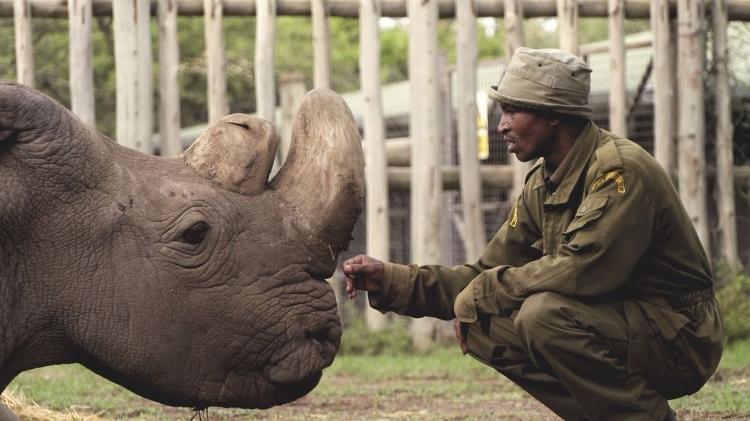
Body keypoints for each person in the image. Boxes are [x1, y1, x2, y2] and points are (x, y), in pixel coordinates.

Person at [342, 47, 722, 421]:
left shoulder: (619, 172)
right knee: (483, 325)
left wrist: (483, 291)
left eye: (512, 110)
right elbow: (485, 272)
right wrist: (391, 280)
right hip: (622, 325)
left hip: (680, 337)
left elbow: (580, 272)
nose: (501, 124)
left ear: (554, 115)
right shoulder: (544, 182)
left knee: (541, 316)